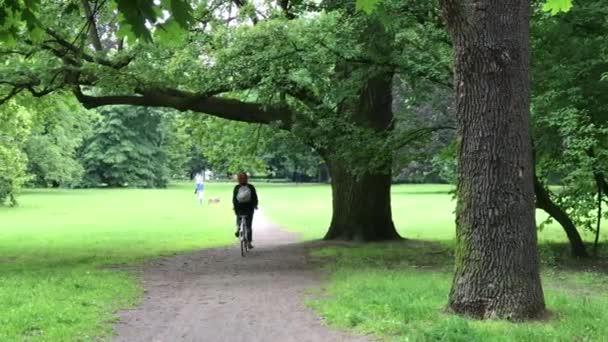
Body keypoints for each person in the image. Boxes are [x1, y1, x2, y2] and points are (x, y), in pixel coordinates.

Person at [232, 172, 258, 249]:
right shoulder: (251, 187)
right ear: (247, 179)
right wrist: (255, 205)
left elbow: (234, 199)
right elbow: (254, 197)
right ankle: (249, 243)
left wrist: (235, 207)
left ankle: (238, 228)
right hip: (249, 207)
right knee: (248, 225)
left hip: (239, 207)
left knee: (239, 217)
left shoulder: (236, 187)